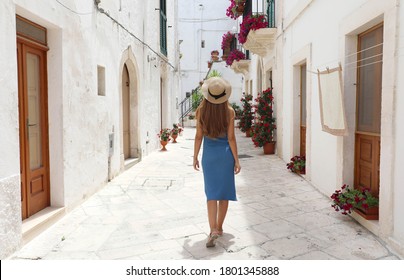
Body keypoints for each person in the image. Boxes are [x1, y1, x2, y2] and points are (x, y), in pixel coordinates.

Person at [193, 77, 241, 248]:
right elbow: (231, 138)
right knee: (224, 194)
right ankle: (219, 228)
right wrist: (236, 160)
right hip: (225, 156)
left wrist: (195, 156)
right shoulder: (229, 112)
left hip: (209, 158)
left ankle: (212, 228)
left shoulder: (200, 112)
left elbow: (198, 136)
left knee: (211, 194)